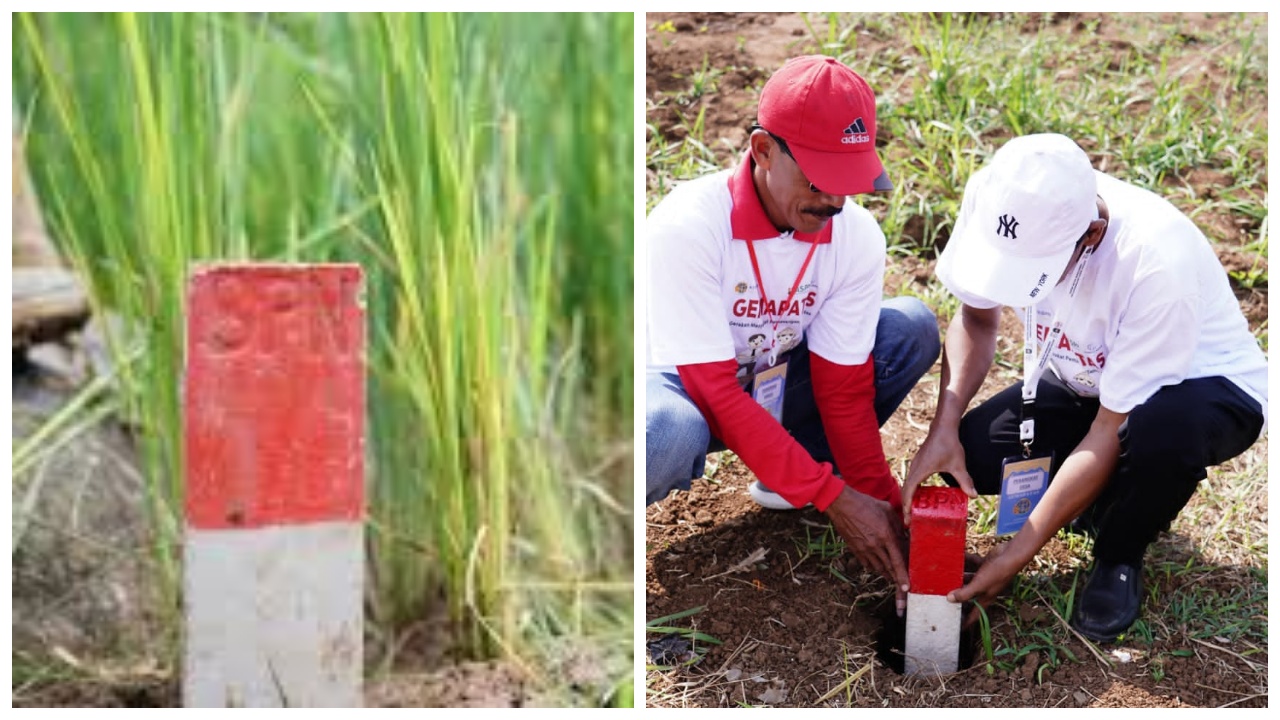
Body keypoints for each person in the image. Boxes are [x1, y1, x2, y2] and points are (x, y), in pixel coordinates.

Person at [903, 133, 1267, 642]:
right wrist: (942, 425)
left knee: (1163, 433)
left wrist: (1015, 555)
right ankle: (1098, 504)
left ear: (1092, 234)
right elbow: (977, 319)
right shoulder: (999, 201)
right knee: (977, 454)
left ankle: (1119, 555)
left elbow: (1107, 429)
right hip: (1089, 378)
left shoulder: (1155, 261)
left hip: (1201, 387)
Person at [646, 55, 941, 613]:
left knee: (909, 329)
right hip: (678, 387)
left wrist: (888, 515)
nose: (833, 202)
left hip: (772, 378)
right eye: (819, 180)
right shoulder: (689, 226)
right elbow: (711, 388)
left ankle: (794, 472)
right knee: (665, 431)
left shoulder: (853, 236)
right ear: (762, 151)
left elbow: (844, 390)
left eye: (847, 185)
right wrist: (833, 497)